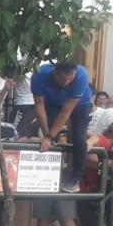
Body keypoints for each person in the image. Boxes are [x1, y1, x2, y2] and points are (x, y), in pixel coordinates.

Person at [32, 61, 94, 192]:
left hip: (80, 104)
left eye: (70, 80)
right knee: (50, 137)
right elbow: (39, 105)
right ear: (55, 73)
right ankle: (47, 174)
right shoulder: (40, 74)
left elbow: (67, 110)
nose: (66, 83)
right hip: (52, 101)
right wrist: (47, 135)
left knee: (79, 137)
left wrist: (49, 136)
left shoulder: (82, 75)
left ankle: (76, 177)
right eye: (62, 79)